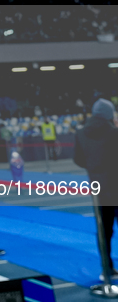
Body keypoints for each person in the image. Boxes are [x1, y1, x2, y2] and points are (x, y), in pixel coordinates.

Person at [74, 98, 118, 281]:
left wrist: (94, 168)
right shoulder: (114, 133)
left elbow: (78, 159)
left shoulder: (81, 134)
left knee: (103, 231)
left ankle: (106, 268)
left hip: (98, 190)